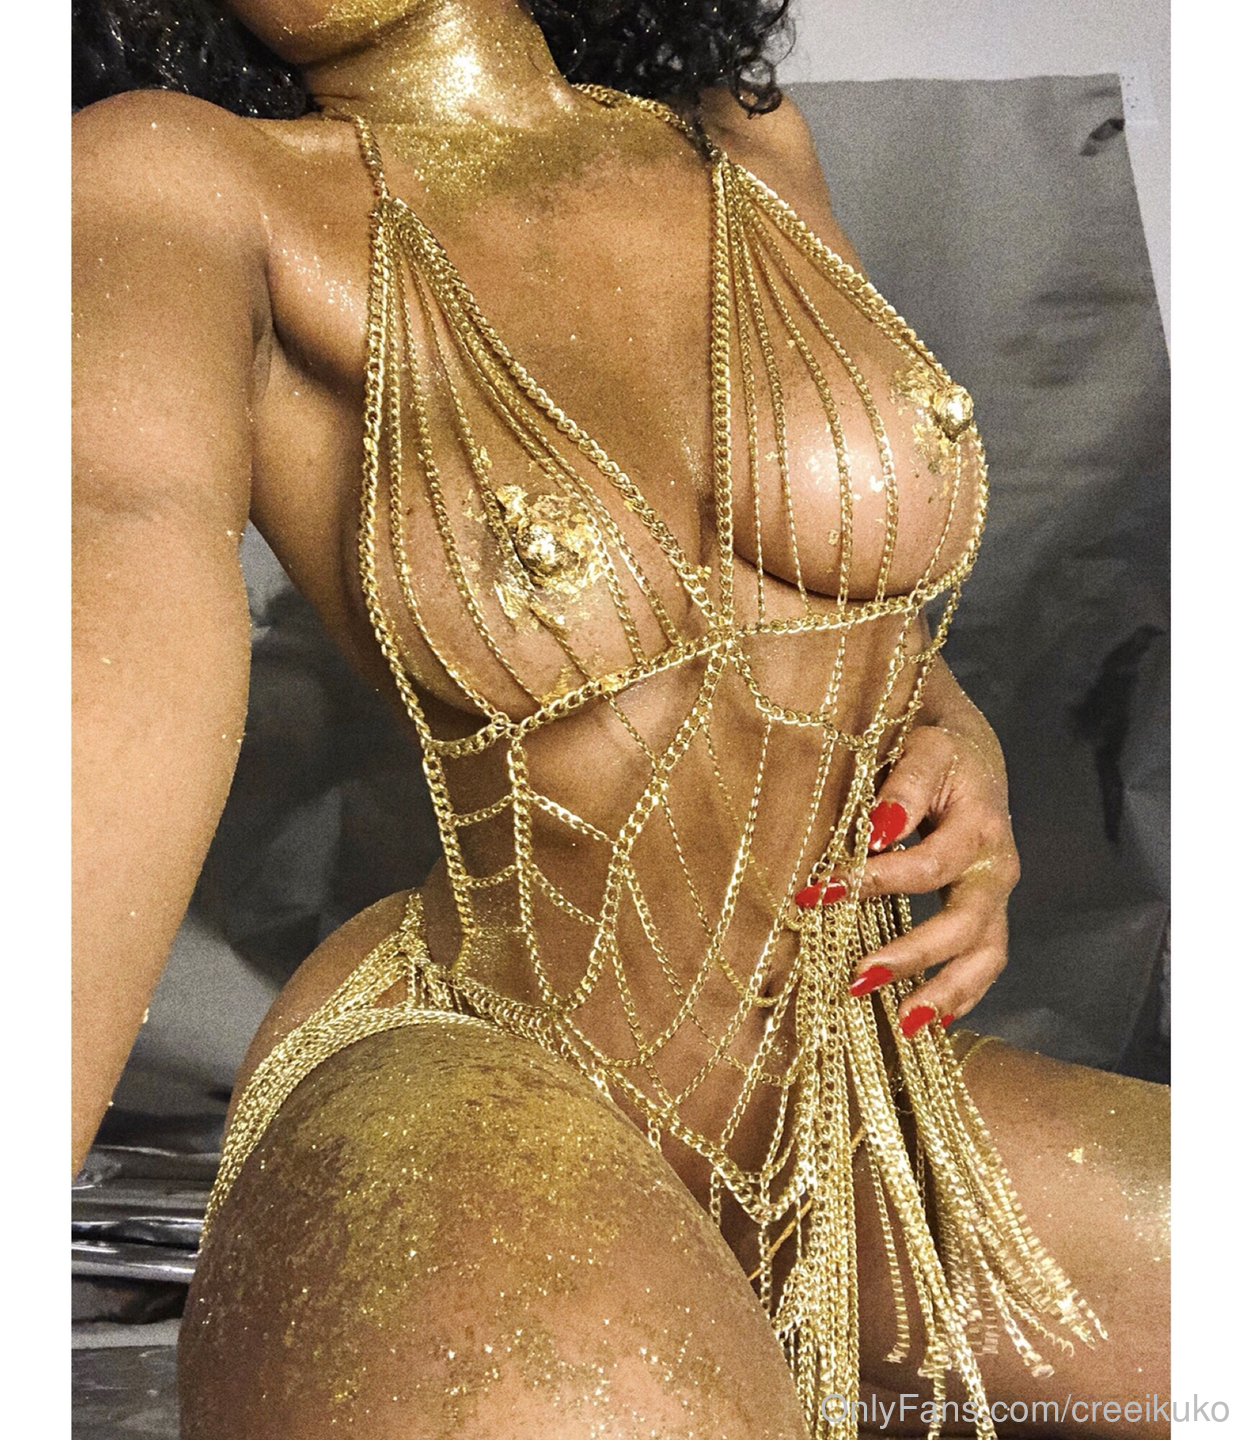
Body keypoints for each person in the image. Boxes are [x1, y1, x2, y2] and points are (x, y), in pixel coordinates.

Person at [72, 2, 1169, 1435]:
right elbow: (101, 585)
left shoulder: (737, 138)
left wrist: (950, 732)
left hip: (853, 1095)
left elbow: (828, 596)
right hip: (487, 1079)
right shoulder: (181, 182)